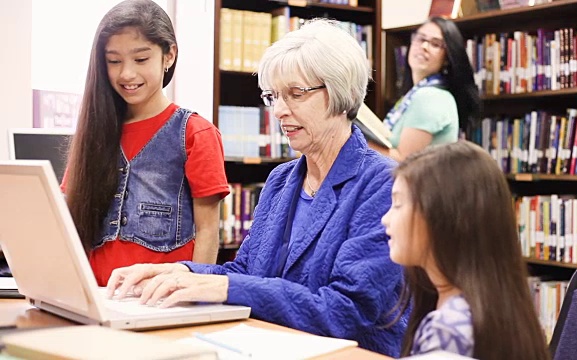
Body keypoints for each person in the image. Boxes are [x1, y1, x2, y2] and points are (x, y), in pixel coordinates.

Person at [105, 19, 406, 357]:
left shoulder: (384, 183)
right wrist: (180, 272)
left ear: (339, 92)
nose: (278, 110)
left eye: (295, 94)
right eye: (273, 96)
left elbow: (345, 311)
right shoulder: (281, 181)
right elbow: (245, 273)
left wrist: (224, 285)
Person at [63, 0, 229, 286]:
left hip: (161, 302)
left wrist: (194, 295)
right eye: (114, 61)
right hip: (96, 296)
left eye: (141, 59)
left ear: (169, 56)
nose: (126, 73)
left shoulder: (195, 133)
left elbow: (207, 232)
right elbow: (68, 214)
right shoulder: (94, 131)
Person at [382, 141, 549, 359]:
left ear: (442, 218)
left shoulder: (447, 331)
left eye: (398, 204)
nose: (385, 219)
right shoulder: (500, 307)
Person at [371, 17, 481, 162]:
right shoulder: (413, 95)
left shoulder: (430, 97)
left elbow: (403, 162)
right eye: (420, 38)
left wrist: (358, 143)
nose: (424, 46)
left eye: (435, 44)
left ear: (447, 58)